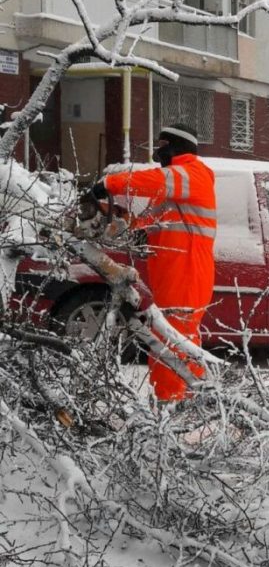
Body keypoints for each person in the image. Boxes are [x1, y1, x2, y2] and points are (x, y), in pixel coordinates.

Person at [88, 123, 217, 402]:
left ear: (176, 147)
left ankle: (171, 404)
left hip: (186, 272)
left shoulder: (192, 174)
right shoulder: (175, 188)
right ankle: (186, 399)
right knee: (176, 338)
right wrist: (116, 215)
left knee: (171, 340)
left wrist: (108, 184)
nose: (157, 153)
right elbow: (147, 228)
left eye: (162, 146)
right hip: (173, 272)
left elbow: (154, 180)